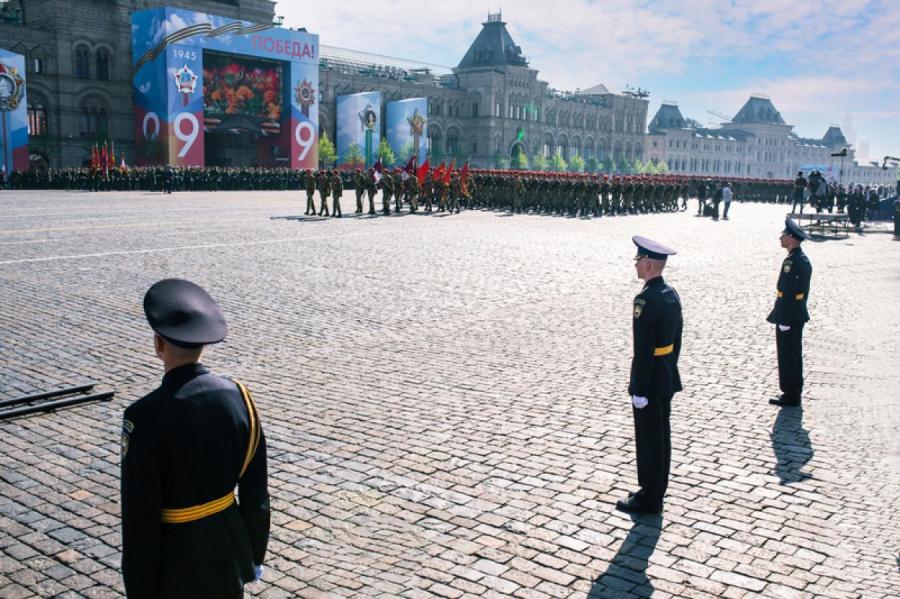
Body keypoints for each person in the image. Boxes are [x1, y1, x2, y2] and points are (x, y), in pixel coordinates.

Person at [121, 279, 269, 598]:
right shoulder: (239, 397)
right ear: (202, 344)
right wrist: (253, 553)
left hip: (175, 558)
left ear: (158, 344)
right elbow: (256, 491)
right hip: (228, 547)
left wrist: (139, 587)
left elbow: (140, 517)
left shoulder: (144, 416)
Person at [616, 237, 683, 515]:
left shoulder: (644, 300)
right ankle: (657, 489)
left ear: (648, 263)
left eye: (638, 261)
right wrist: (669, 367)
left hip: (650, 379)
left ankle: (649, 496)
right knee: (662, 436)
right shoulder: (670, 294)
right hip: (665, 374)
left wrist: (639, 388)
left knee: (649, 439)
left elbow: (642, 350)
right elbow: (677, 339)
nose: (636, 265)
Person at [767, 219, 812, 407]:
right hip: (795, 313)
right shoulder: (800, 259)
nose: (781, 237)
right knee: (793, 353)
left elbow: (789, 293)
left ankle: (791, 394)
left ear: (791, 238)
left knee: (788, 354)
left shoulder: (792, 262)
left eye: (783, 235)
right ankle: (794, 391)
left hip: (789, 314)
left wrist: (783, 319)